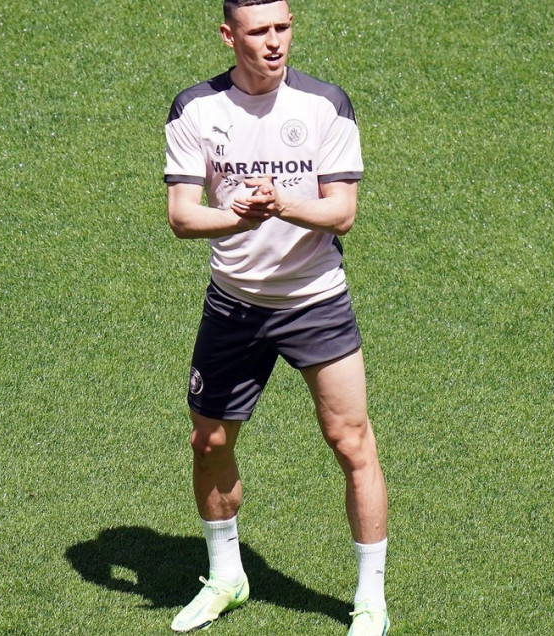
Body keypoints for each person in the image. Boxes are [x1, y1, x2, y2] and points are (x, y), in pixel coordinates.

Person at [163, 1, 389, 634]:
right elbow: (183, 216)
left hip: (314, 300)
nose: (273, 43)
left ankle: (370, 599)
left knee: (352, 442)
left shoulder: (325, 105)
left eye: (282, 28)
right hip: (233, 304)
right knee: (208, 442)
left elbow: (341, 211)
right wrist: (240, 216)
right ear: (229, 35)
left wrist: (281, 203)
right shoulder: (196, 110)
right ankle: (227, 576)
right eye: (258, 31)